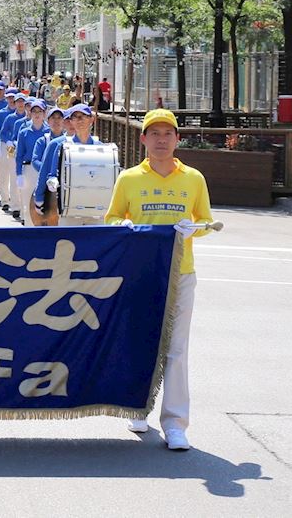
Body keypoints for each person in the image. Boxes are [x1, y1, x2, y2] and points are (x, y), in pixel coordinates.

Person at [104, 108, 215, 452]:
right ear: (143, 139)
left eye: (168, 133)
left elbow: (207, 221)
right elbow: (111, 218)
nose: (162, 140)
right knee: (141, 342)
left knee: (177, 350)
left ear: (178, 139)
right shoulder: (129, 178)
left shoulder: (193, 178)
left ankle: (175, 423)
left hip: (180, 274)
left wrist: (194, 229)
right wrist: (121, 227)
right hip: (140, 275)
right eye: (155, 133)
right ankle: (139, 408)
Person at [34, 104, 102, 226]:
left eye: (82, 117)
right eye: (75, 118)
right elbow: (47, 173)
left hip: (96, 208)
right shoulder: (60, 146)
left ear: (92, 119)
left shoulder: (100, 148)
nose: (78, 121)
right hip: (69, 208)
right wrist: (40, 197)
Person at [14, 100, 49, 224]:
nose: (37, 114)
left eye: (40, 111)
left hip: (45, 171)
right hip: (28, 169)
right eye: (34, 111)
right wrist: (19, 174)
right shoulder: (24, 132)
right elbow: (19, 155)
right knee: (27, 202)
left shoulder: (49, 132)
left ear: (44, 113)